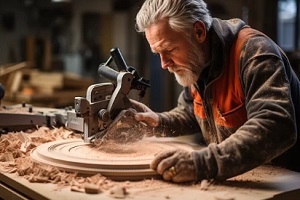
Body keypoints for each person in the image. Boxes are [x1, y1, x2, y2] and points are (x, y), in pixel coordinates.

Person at [133, 0, 300, 183]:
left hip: (288, 180)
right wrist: (157, 122)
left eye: (170, 50)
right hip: (247, 175)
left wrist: (203, 163)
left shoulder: (255, 54)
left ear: (199, 31)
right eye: (158, 54)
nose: (164, 64)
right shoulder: (196, 62)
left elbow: (276, 126)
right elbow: (192, 112)